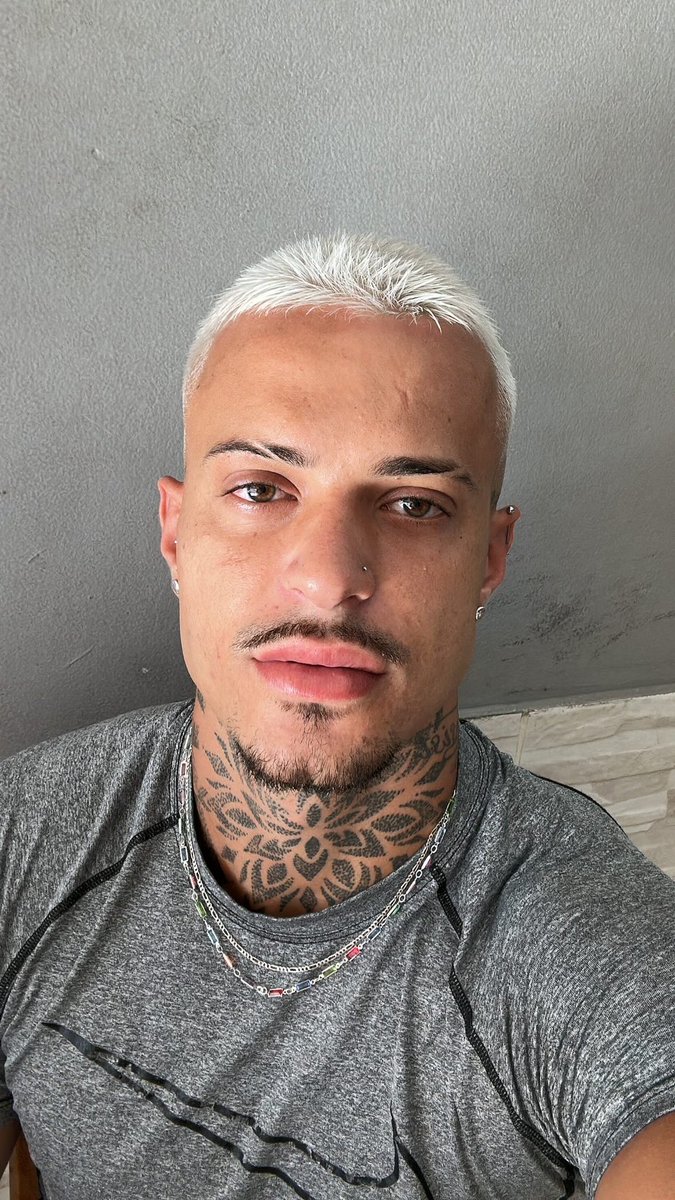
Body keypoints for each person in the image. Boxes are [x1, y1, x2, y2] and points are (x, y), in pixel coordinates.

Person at [1, 233, 673, 1200]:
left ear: (489, 561)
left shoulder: (580, 939)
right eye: (259, 489)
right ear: (176, 533)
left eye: (413, 505)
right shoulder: (24, 836)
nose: (326, 579)